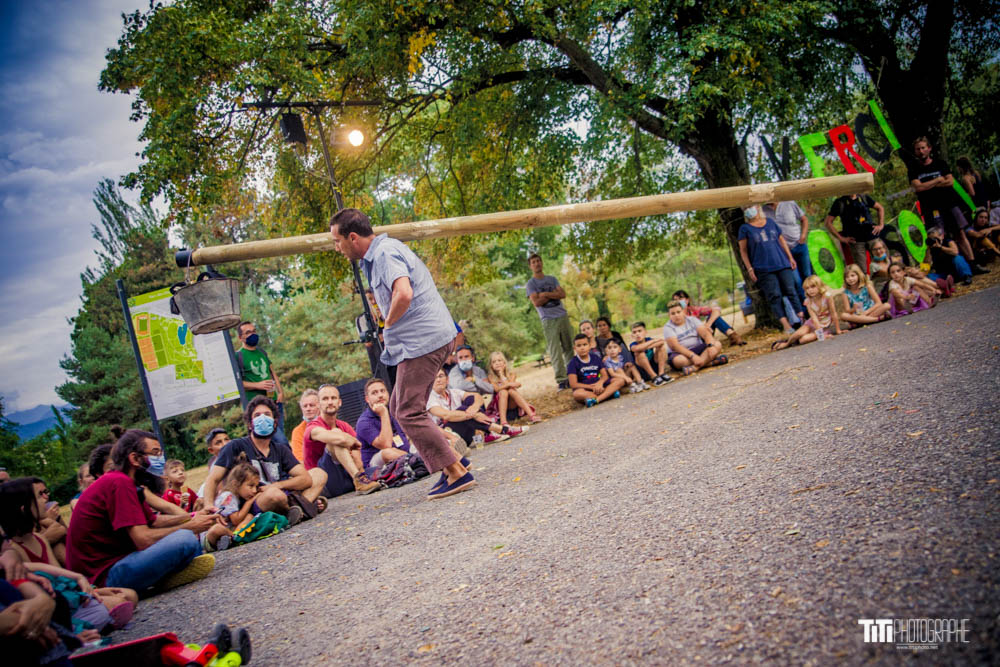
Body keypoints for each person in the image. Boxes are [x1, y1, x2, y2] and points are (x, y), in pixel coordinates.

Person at [331, 208, 474, 499]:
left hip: (422, 341)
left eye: (337, 240)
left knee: (408, 411)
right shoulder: (379, 255)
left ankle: (457, 472)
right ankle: (454, 463)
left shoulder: (384, 253)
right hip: (425, 339)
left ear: (353, 237)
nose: (337, 247)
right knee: (398, 407)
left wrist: (388, 324)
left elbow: (404, 293)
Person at [65, 429, 219, 591]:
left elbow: (153, 521)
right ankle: (163, 576)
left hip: (116, 564)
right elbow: (143, 539)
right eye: (155, 453)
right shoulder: (119, 483)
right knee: (185, 539)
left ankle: (163, 575)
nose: (160, 458)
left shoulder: (126, 483)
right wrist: (190, 526)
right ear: (134, 458)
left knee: (186, 540)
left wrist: (192, 516)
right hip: (103, 577)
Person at [0, 478, 138, 632]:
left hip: (67, 591)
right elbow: (46, 584)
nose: (45, 499)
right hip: (58, 602)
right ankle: (89, 624)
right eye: (39, 496)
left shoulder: (39, 538)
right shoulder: (15, 549)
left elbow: (60, 575)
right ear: (23, 508)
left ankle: (102, 619)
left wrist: (93, 590)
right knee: (119, 602)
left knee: (130, 595)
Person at [202, 396, 327, 524]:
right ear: (250, 424)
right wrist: (209, 505)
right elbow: (213, 479)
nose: (262, 418)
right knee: (275, 495)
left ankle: (295, 512)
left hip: (282, 493)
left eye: (267, 414)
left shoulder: (280, 449)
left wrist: (278, 485)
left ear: (275, 422)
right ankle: (304, 507)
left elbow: (305, 479)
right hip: (255, 501)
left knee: (319, 474)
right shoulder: (235, 446)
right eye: (257, 415)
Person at [908, 137, 986, 272]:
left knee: (960, 233)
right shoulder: (913, 168)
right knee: (936, 238)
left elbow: (950, 181)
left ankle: (973, 265)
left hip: (949, 204)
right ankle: (942, 270)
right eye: (918, 149)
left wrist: (927, 185)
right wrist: (937, 180)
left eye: (923, 148)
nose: (921, 151)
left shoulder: (940, 163)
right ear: (915, 151)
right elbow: (918, 187)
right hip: (931, 209)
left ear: (929, 148)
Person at [738, 204, 804, 334]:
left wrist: (790, 257)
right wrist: (750, 269)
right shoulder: (744, 229)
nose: (748, 210)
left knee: (791, 290)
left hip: (781, 262)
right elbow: (743, 251)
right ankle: (786, 326)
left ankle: (802, 318)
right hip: (763, 268)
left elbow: (782, 241)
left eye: (750, 207)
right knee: (774, 296)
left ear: (758, 207)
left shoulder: (770, 222)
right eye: (745, 209)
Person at [235, 321, 289, 446]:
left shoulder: (261, 352)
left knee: (277, 440)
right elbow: (237, 384)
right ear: (240, 337)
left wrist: (280, 392)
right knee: (281, 441)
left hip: (274, 402)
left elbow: (272, 372)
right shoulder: (238, 356)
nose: (253, 334)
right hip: (258, 407)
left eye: (254, 331)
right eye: (248, 332)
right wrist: (258, 385)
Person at [427, 369, 513, 447]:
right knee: (462, 410)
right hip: (448, 436)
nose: (438, 380)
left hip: (465, 433)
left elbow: (477, 396)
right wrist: (475, 415)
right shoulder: (429, 399)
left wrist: (474, 407)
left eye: (441, 376)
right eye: (434, 378)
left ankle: (485, 434)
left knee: (471, 399)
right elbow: (447, 415)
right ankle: (500, 429)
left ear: (447, 379)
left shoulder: (454, 392)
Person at [526, 253, 574, 390]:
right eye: (533, 262)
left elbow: (562, 294)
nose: (537, 263)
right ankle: (562, 380)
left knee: (569, 347)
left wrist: (545, 294)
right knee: (555, 350)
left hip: (562, 315)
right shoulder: (531, 284)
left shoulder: (552, 279)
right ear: (530, 266)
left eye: (538, 261)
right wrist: (554, 294)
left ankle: (572, 376)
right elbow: (536, 302)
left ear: (542, 263)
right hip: (548, 320)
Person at [354, 378, 419, 469]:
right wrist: (384, 414)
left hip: (404, 454)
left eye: (383, 391)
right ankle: (418, 461)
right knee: (388, 452)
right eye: (374, 393)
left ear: (388, 394)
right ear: (367, 399)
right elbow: (386, 445)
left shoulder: (393, 411)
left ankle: (417, 461)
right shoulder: (363, 422)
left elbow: (407, 436)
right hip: (377, 465)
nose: (380, 395)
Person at [823, 193, 886, 270]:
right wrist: (841, 238)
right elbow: (828, 222)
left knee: (882, 263)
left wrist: (881, 225)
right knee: (861, 270)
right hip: (856, 241)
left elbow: (880, 208)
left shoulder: (863, 197)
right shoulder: (840, 202)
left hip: (872, 236)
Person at [663, 301, 726, 375]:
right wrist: (692, 356)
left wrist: (710, 345)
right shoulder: (668, 327)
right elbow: (675, 346)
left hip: (698, 348)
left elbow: (705, 333)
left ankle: (695, 367)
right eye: (673, 313)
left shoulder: (692, 320)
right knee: (679, 361)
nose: (676, 315)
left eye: (678, 312)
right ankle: (708, 362)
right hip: (681, 354)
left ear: (683, 312)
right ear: (669, 315)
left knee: (717, 344)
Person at [764, 200, 812, 290]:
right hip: (784, 252)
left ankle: (814, 298)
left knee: (807, 275)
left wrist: (803, 235)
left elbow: (804, 219)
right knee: (796, 281)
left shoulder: (790, 203)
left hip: (799, 245)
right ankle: (803, 298)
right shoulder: (763, 211)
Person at [567, 333, 626, 407]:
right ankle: (609, 395)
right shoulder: (572, 363)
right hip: (586, 388)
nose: (582, 348)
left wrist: (600, 383)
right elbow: (573, 384)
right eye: (579, 346)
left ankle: (597, 400)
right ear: (574, 348)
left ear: (589, 346)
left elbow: (605, 375)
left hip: (599, 384)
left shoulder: (595, 357)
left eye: (585, 345)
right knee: (577, 394)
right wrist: (591, 387)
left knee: (620, 381)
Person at [670, 290, 744, 346]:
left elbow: (716, 310)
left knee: (713, 316)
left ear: (687, 300)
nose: (678, 301)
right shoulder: (675, 317)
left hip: (704, 336)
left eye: (680, 298)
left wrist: (708, 324)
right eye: (675, 300)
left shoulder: (694, 310)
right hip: (692, 341)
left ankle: (733, 336)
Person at [486, 351, 540, 424]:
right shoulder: (491, 377)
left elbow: (511, 386)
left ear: (504, 363)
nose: (497, 363)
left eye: (499, 360)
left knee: (511, 390)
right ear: (491, 366)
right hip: (500, 410)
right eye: (494, 362)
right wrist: (509, 384)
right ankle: (503, 422)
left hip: (513, 407)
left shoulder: (511, 374)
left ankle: (532, 415)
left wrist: (502, 375)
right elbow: (497, 389)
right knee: (503, 391)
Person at [212, 463, 261, 534]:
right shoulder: (229, 496)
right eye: (251, 486)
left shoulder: (231, 495)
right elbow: (236, 520)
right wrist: (249, 502)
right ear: (235, 484)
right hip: (218, 530)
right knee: (249, 516)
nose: (255, 491)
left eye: (256, 487)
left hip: (224, 528)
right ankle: (235, 536)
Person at [289, 389, 319, 463]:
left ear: (320, 406)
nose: (308, 409)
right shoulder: (298, 431)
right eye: (305, 406)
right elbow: (299, 459)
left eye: (311, 405)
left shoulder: (330, 424)